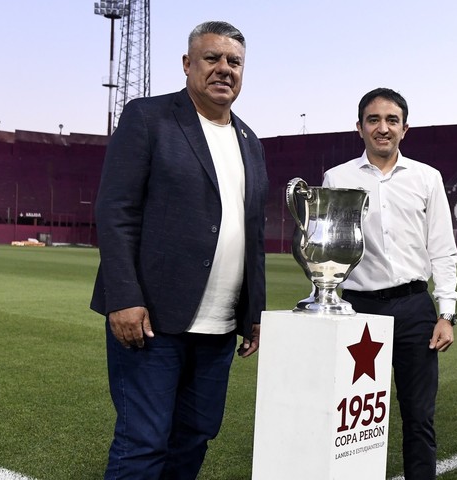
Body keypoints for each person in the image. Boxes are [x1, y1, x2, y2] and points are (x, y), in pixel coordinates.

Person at [90, 20, 268, 479]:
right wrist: (123, 297)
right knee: (143, 443)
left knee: (195, 435)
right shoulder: (149, 117)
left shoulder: (251, 141)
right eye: (212, 59)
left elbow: (252, 233)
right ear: (188, 64)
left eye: (234, 62)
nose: (224, 69)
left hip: (219, 326)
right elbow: (116, 211)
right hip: (151, 320)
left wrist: (255, 312)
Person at [323, 87, 457, 480]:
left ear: (405, 128)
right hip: (358, 309)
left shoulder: (427, 178)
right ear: (360, 128)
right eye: (374, 120)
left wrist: (447, 313)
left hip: (415, 309)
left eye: (391, 120)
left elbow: (443, 250)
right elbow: (327, 245)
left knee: (418, 415)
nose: (383, 128)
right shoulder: (337, 178)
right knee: (353, 413)